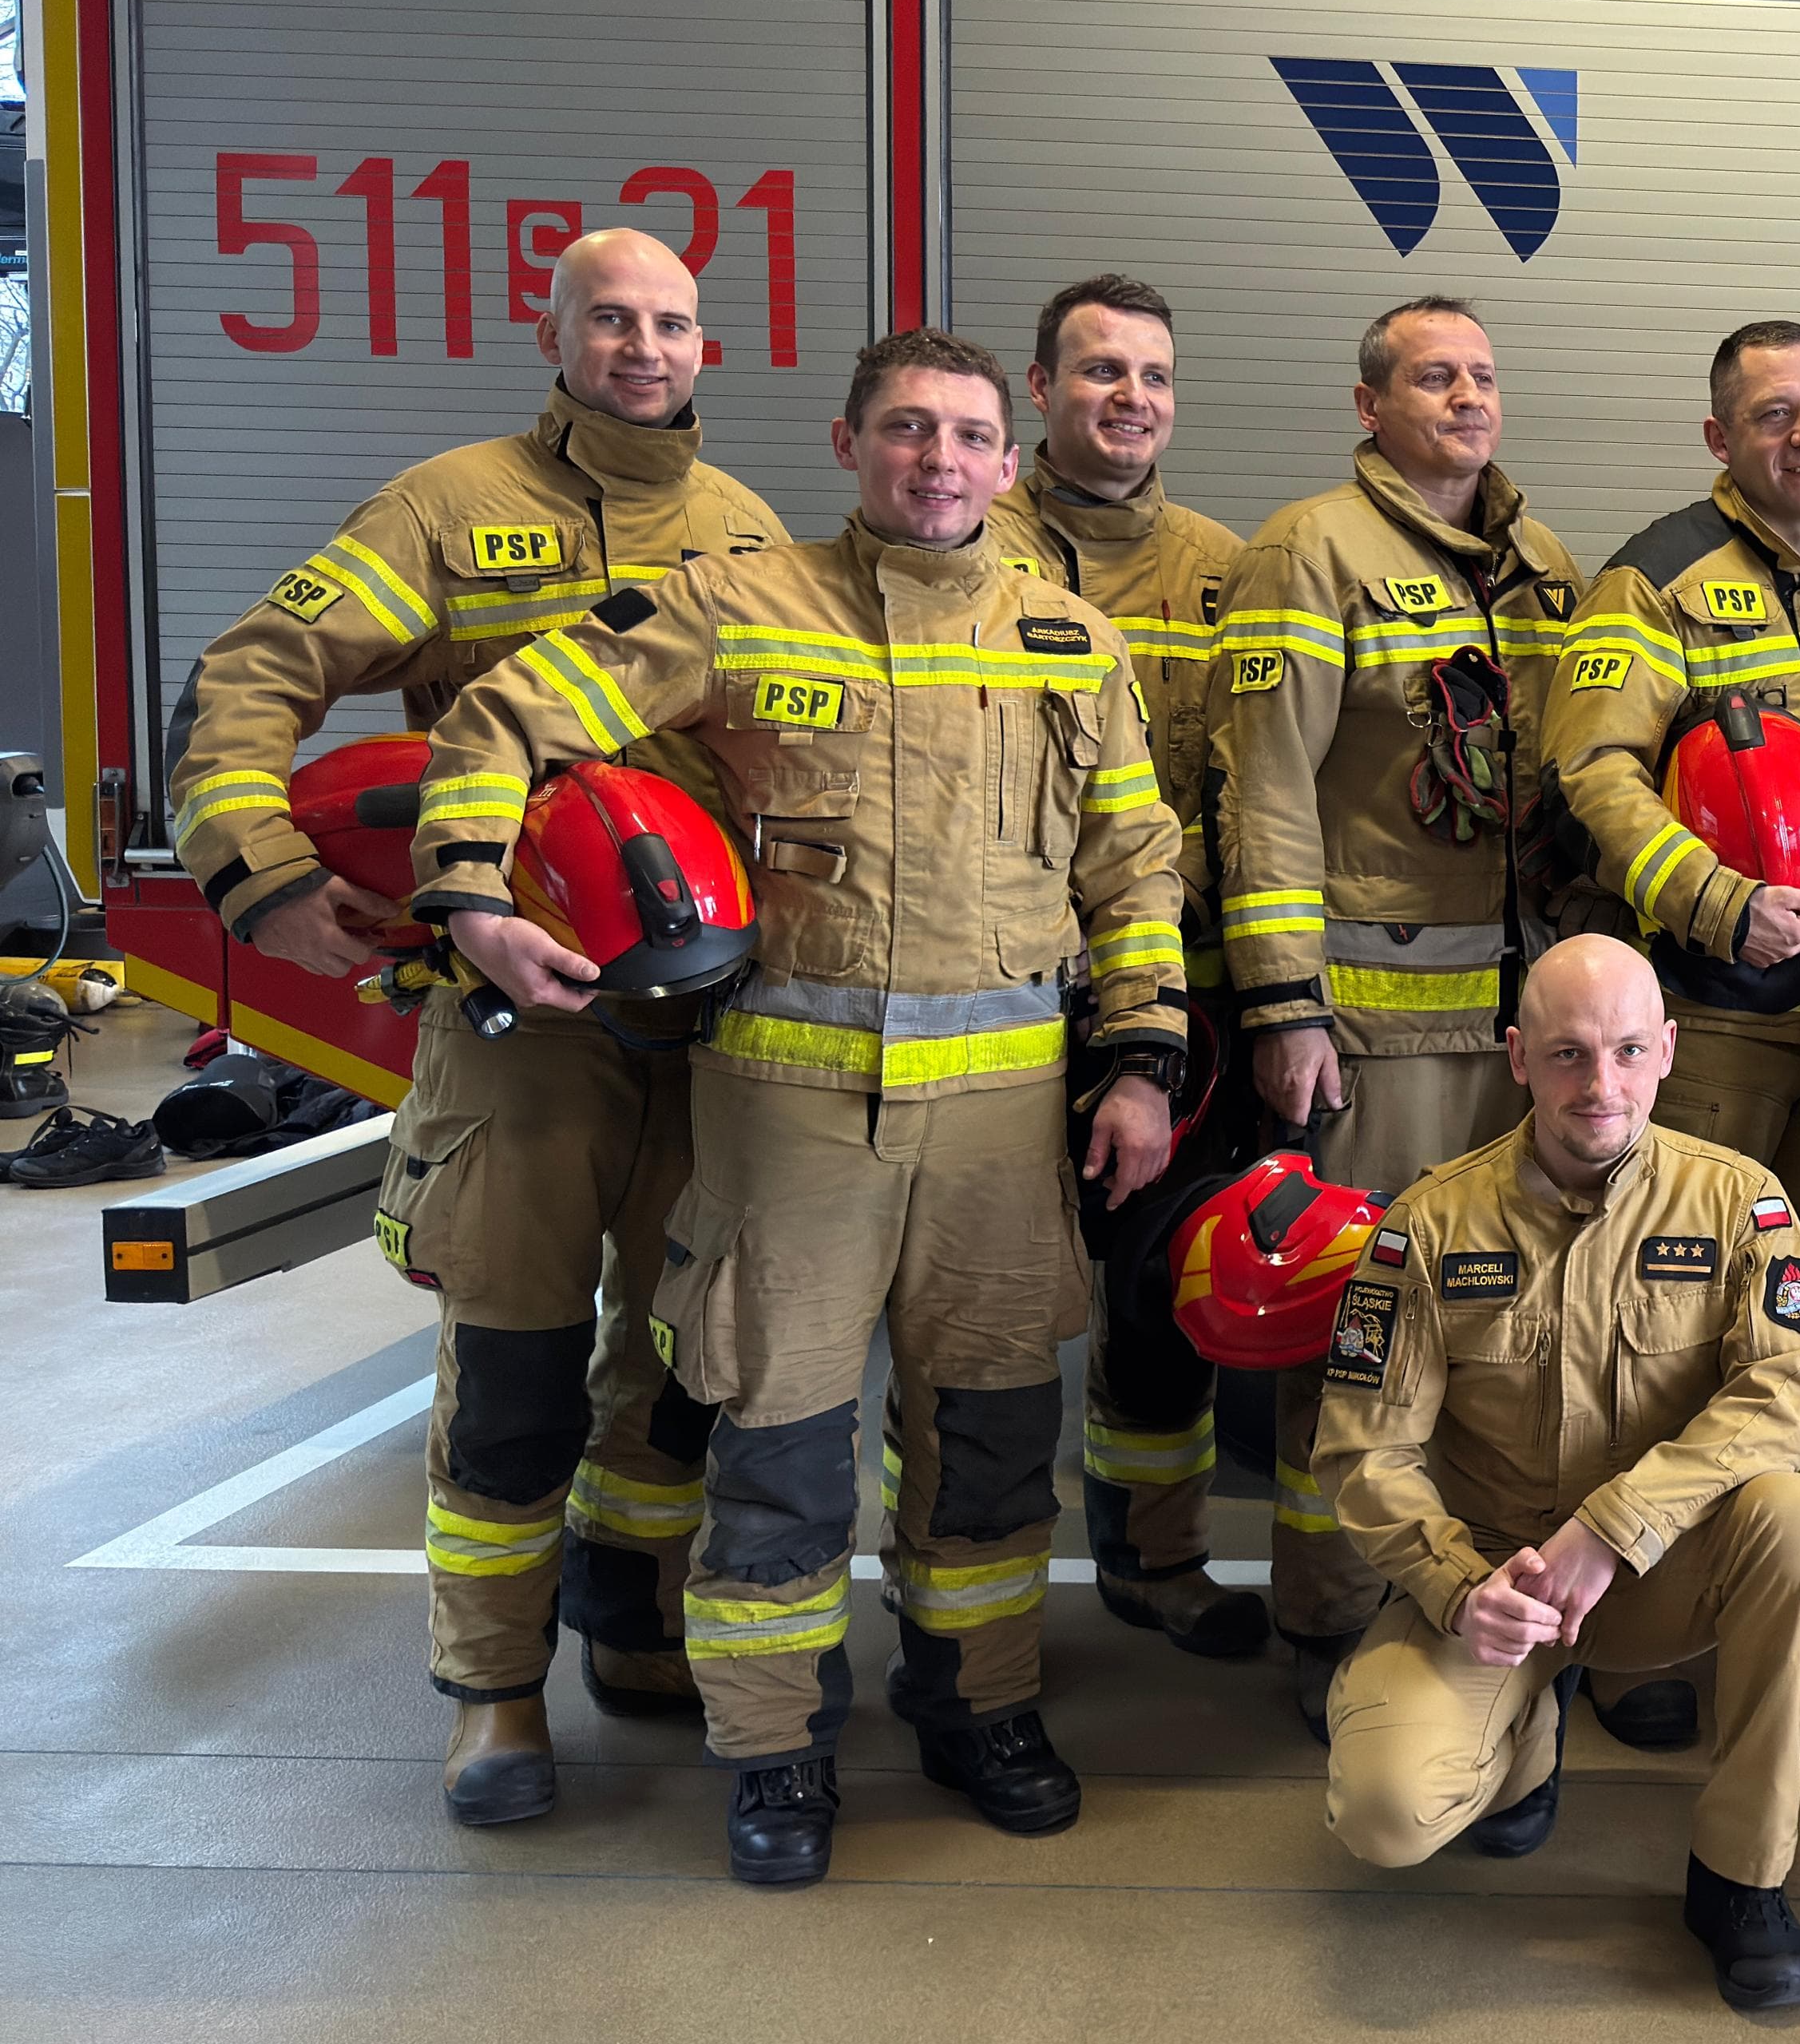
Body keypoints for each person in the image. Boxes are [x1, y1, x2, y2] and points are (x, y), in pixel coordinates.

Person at [420, 329, 1187, 1888]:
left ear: (1006, 461)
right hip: (788, 1115)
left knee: (991, 1435)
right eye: (906, 429)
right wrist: (474, 898)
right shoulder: (736, 603)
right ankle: (773, 1747)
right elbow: (502, 718)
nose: (939, 461)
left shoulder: (1072, 643)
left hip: (1002, 1124)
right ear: (848, 444)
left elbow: (1133, 865)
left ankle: (980, 1704)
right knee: (776, 1445)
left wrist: (1144, 1061)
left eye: (966, 435)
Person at [166, 227, 791, 1827]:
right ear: (552, 333)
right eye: (610, 319)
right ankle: (494, 1692)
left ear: (707, 349)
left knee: (678, 1359)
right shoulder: (449, 509)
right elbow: (251, 676)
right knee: (513, 1372)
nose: (642, 348)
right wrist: (262, 879)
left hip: (705, 1026)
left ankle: (632, 1617)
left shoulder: (745, 530)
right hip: (517, 1027)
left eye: (670, 323)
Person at [1314, 933, 1800, 2016]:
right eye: (1567, 1054)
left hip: (1659, 1570)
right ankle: (1525, 1739)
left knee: (1796, 1522)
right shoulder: (1429, 1225)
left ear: (1668, 1052)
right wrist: (1458, 1587)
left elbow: (1786, 1396)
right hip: (1496, 1584)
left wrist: (1612, 1527)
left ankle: (1741, 1877)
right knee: (1385, 1816)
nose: (1601, 1085)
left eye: (1628, 1051)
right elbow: (1364, 1449)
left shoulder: (1738, 1203)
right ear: (1518, 1057)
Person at [1212, 294, 1580, 1728]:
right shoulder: (1308, 550)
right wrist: (1284, 1007)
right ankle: (1331, 1624)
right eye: (1435, 377)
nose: (1468, 398)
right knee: (1361, 1337)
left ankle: (1479, 1611)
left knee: (1505, 1339)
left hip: (1518, 1040)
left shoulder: (1541, 565)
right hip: (1373, 1035)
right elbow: (1265, 790)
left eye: (1483, 375)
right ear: (1371, 407)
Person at [1545, 319, 1800, 1666]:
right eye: (1773, 415)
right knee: (1676, 1318)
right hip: (1712, 1024)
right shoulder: (1654, 581)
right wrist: (1718, 902)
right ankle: (1652, 1612)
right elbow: (1594, 778)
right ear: (1720, 436)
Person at [986, 277, 1263, 1666]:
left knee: (1163, 1287)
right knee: (980, 1314)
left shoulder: (1227, 568)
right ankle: (966, 1591)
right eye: (1100, 371)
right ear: (1040, 389)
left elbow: (1254, 781)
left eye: (1153, 375)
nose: (1131, 398)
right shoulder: (961, 536)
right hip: (996, 997)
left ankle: (1157, 1559)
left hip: (1175, 997)